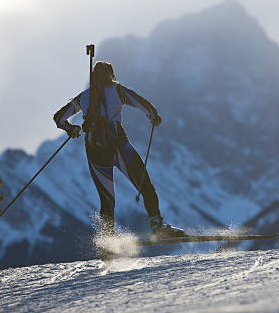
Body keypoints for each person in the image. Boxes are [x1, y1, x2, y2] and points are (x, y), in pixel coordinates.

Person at [53, 61, 184, 238]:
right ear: (111, 74)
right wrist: (153, 116)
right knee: (145, 185)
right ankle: (157, 227)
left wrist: (71, 129)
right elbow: (142, 104)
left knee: (107, 200)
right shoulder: (118, 91)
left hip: (95, 150)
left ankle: (108, 241)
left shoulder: (84, 97)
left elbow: (59, 118)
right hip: (118, 146)